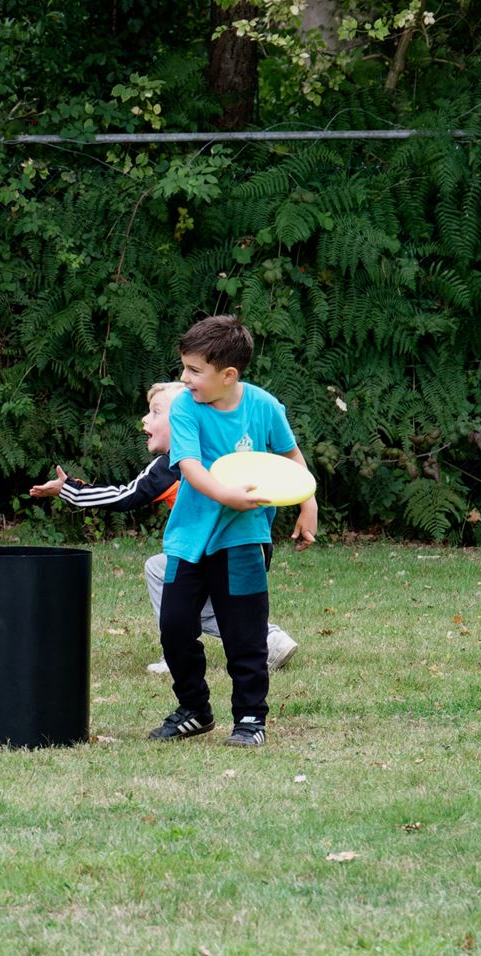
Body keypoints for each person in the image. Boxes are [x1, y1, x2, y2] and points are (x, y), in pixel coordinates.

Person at [29, 381, 301, 675]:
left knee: (166, 578)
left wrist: (70, 489)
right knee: (189, 584)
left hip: (220, 552)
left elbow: (125, 496)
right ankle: (268, 638)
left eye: (156, 412)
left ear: (182, 420)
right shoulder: (219, 449)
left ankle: (236, 644)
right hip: (250, 548)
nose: (145, 419)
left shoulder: (173, 463)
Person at [149, 315, 317, 747]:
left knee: (245, 634)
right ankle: (194, 709)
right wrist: (227, 495)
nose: (184, 378)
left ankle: (250, 719)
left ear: (228, 375)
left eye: (194, 370)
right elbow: (190, 467)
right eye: (184, 367)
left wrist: (308, 503)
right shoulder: (186, 408)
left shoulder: (264, 406)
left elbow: (291, 457)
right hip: (189, 539)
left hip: (243, 541)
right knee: (174, 627)